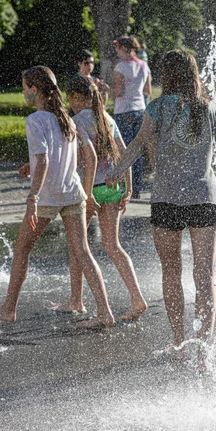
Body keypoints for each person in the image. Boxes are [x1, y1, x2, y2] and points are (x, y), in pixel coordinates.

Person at [106, 50, 216, 371]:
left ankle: (179, 344)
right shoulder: (212, 110)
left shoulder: (158, 108)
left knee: (171, 273)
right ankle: (203, 352)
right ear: (194, 75)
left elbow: (137, 144)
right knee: (205, 276)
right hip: (205, 199)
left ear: (166, 76)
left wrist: (118, 169)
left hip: (166, 199)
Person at [0, 66, 114, 327]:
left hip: (46, 197)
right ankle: (105, 313)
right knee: (82, 252)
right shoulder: (67, 118)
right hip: (72, 193)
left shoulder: (35, 120)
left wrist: (32, 198)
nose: (23, 94)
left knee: (22, 248)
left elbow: (45, 161)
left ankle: (9, 308)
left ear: (34, 90)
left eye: (24, 89)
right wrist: (31, 165)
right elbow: (76, 156)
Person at [61, 74, 148, 321]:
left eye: (70, 98)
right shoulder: (107, 118)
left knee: (79, 247)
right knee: (113, 246)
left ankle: (76, 301)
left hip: (91, 189)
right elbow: (125, 153)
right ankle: (137, 298)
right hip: (113, 187)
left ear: (75, 97)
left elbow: (86, 159)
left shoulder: (76, 121)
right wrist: (128, 189)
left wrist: (87, 194)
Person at [112, 36, 152, 199]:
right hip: (140, 110)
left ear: (123, 48)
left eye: (117, 48)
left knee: (125, 150)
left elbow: (119, 92)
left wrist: (107, 90)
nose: (116, 51)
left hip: (123, 111)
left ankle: (125, 187)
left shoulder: (121, 67)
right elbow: (147, 91)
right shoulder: (144, 65)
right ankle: (136, 188)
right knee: (138, 149)